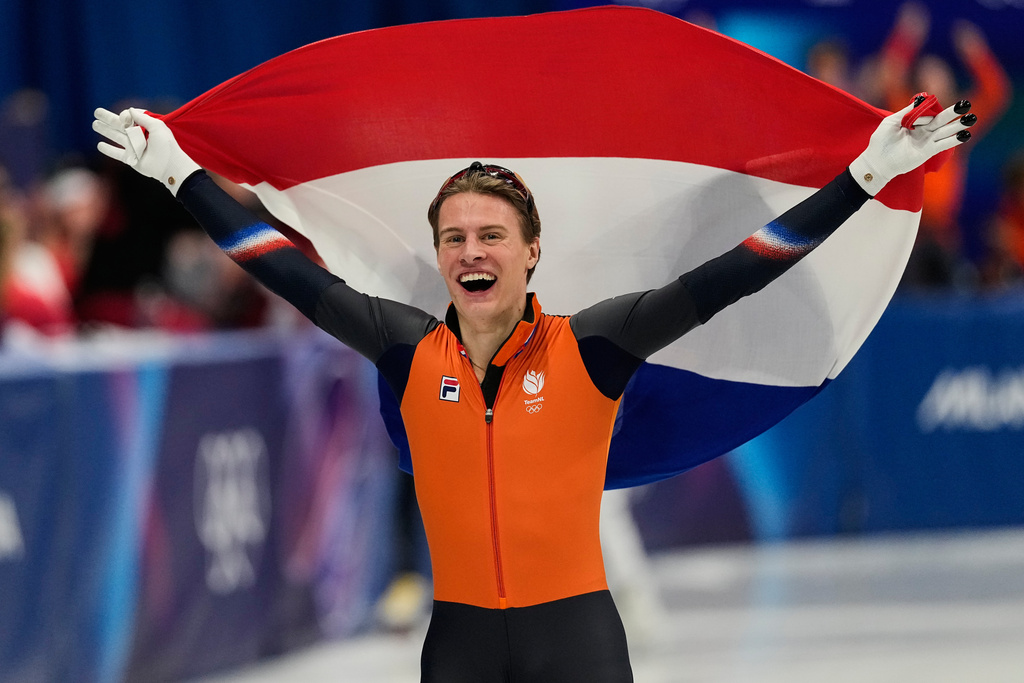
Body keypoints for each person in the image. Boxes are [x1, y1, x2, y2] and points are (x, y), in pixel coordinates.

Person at [93, 97, 974, 682]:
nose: (472, 250)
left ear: (531, 250)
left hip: (577, 644)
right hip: (460, 647)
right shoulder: (405, 348)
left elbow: (740, 271)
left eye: (492, 234)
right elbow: (275, 263)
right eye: (454, 236)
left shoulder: (595, 345)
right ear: (437, 254)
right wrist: (179, 173)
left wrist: (862, 178)